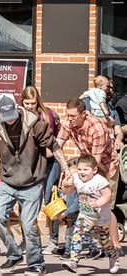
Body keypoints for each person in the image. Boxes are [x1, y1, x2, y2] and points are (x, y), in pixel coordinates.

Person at [0, 93, 70, 274]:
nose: (9, 120)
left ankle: (36, 263)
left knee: (27, 224)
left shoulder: (34, 123)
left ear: (16, 109)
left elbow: (54, 146)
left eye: (11, 116)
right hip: (8, 183)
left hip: (32, 183)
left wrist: (66, 168)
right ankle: (14, 254)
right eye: (5, 117)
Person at [57, 98, 123, 257]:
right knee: (87, 206)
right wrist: (65, 168)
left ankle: (116, 245)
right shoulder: (68, 124)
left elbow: (96, 162)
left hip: (106, 167)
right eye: (68, 115)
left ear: (83, 114)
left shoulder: (96, 127)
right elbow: (56, 146)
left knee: (107, 208)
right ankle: (97, 244)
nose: (70, 119)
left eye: (73, 116)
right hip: (86, 165)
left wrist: (73, 170)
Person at [60, 155, 120, 274]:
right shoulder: (76, 177)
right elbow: (68, 192)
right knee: (77, 235)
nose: (82, 172)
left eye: (85, 169)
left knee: (103, 240)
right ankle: (73, 261)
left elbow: (108, 195)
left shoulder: (99, 180)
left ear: (94, 170)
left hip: (101, 217)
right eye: (80, 169)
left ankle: (114, 254)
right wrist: (66, 184)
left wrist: (98, 203)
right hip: (85, 215)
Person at [20, 86, 62, 254]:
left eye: (33, 103)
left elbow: (56, 140)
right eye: (27, 103)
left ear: (38, 101)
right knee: (26, 202)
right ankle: (27, 240)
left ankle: (53, 241)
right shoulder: (18, 116)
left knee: (51, 201)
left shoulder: (48, 116)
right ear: (21, 101)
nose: (30, 106)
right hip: (28, 165)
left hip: (50, 162)